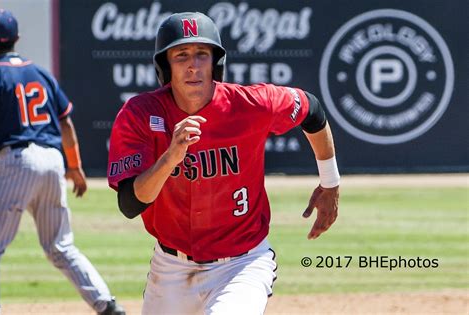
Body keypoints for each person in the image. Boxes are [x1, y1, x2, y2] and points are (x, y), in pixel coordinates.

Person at [108, 11, 339, 315]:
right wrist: (170, 158)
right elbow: (130, 204)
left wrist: (330, 182)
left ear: (216, 62)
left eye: (202, 54)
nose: (193, 64)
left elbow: (312, 109)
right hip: (170, 268)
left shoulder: (252, 103)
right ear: (165, 65)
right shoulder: (140, 114)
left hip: (242, 264)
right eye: (181, 55)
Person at [0, 9, 125, 315]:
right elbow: (65, 123)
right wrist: (75, 167)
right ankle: (107, 305)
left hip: (17, 160)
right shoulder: (40, 73)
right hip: (53, 161)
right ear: (17, 39)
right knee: (60, 246)